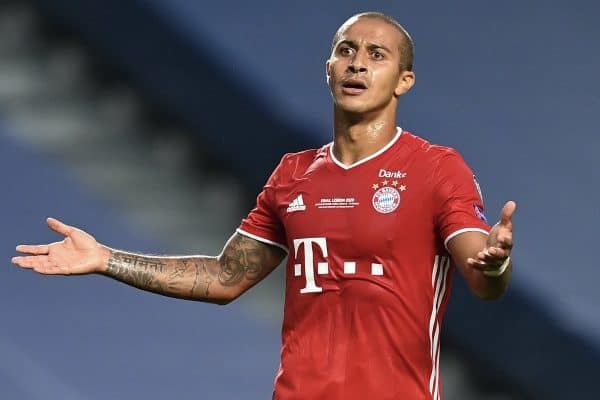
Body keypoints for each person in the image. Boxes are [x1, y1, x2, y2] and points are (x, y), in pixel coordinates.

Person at [11, 11, 515, 400]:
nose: (358, 62)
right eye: (346, 50)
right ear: (329, 69)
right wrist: (105, 259)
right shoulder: (293, 175)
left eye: (377, 54)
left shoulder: (434, 168)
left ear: (404, 80)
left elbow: (479, 272)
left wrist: (495, 263)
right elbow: (225, 278)